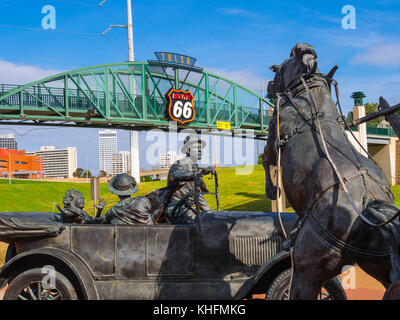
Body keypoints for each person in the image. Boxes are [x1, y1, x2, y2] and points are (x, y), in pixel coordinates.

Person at [165, 134, 214, 224]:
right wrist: (199, 173)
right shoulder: (180, 164)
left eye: (201, 147)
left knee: (208, 221)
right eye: (196, 147)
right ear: (188, 149)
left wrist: (211, 213)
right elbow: (176, 175)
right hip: (176, 207)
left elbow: (198, 195)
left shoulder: (195, 167)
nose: (200, 150)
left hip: (188, 207)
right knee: (196, 223)